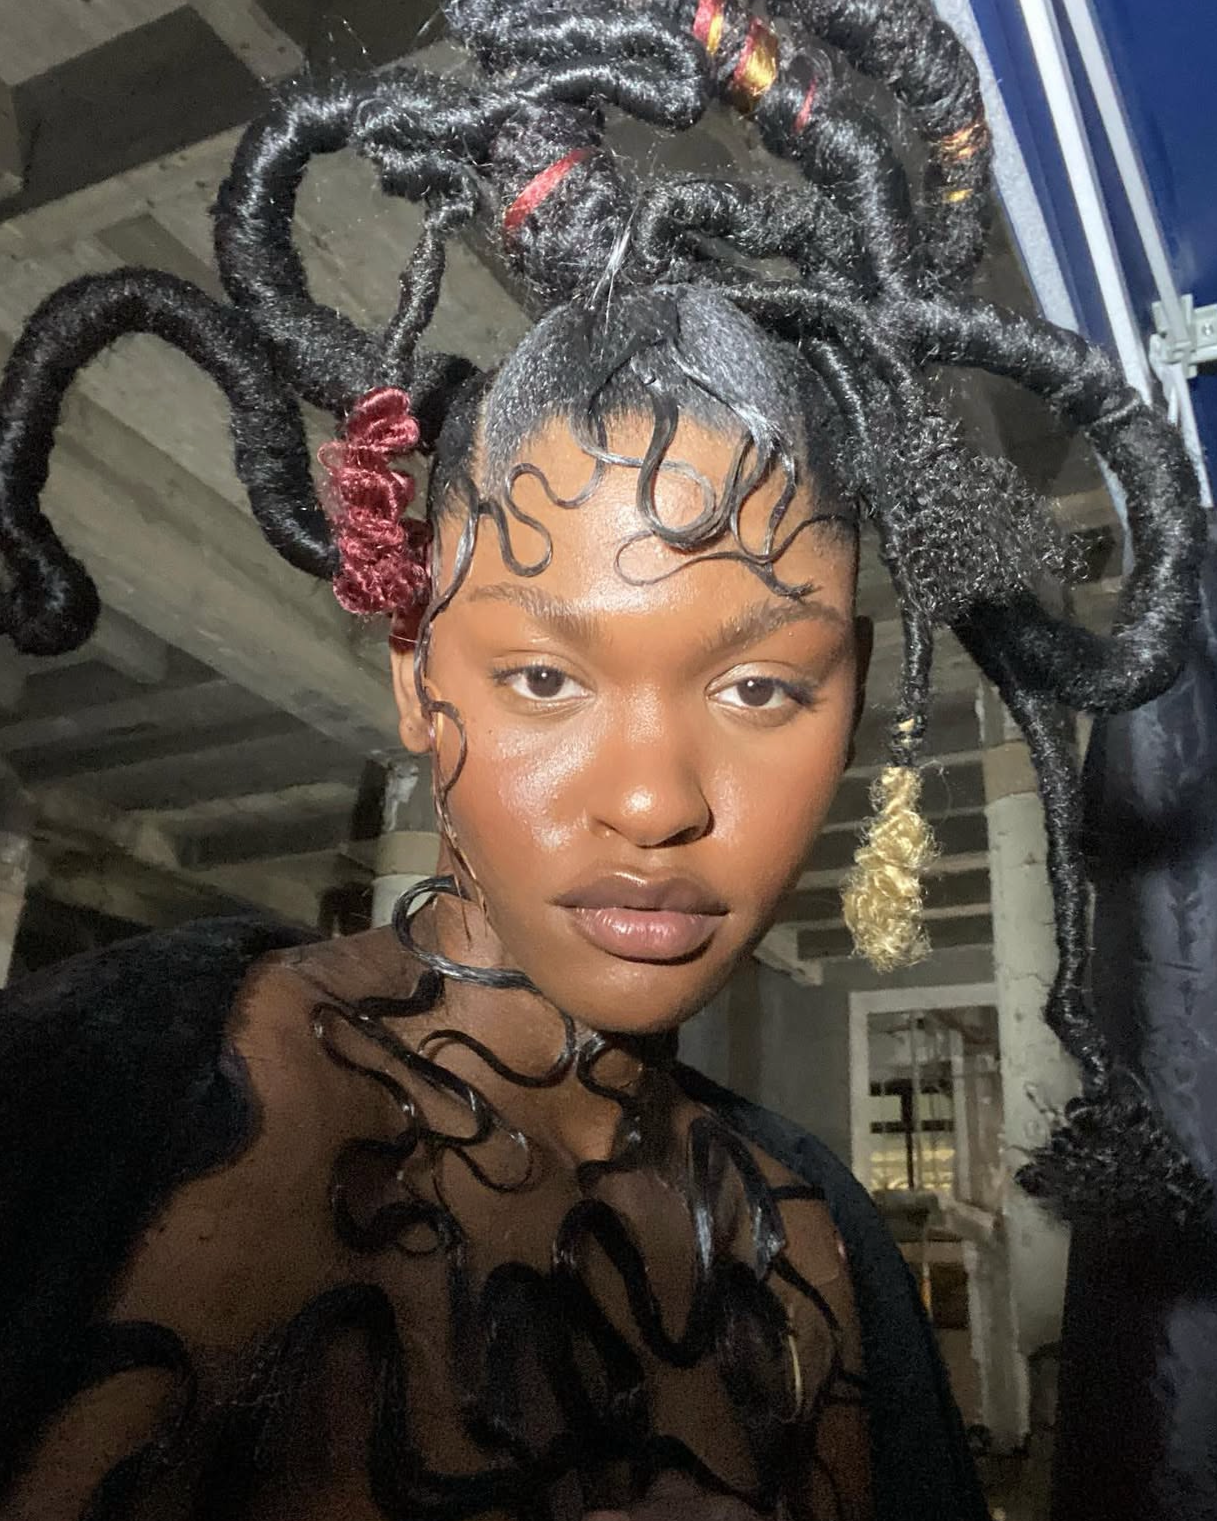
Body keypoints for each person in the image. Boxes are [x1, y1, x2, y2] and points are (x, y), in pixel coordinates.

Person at [0, 1, 1206, 1517]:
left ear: (859, 694)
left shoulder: (819, 1243)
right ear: (417, 680)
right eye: (545, 674)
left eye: (764, 684)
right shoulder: (110, 1106)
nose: (653, 801)